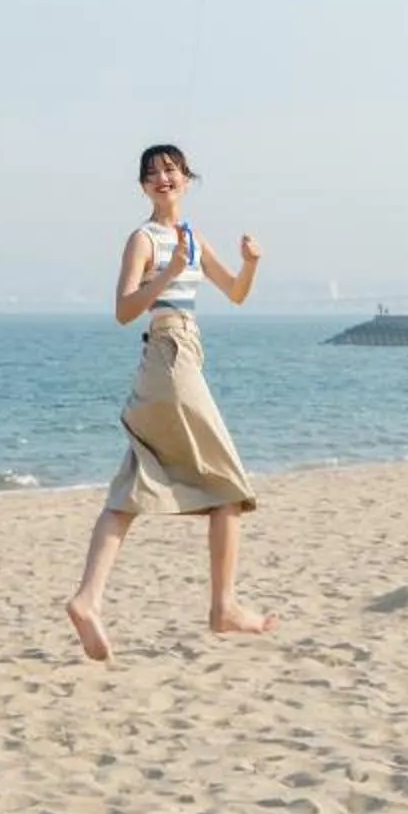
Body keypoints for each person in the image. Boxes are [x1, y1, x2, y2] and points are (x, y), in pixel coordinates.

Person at [64, 141, 273, 658]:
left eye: (172, 170)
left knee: (133, 487)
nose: (163, 177)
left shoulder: (193, 237)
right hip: (168, 352)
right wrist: (169, 269)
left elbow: (237, 293)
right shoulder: (144, 239)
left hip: (178, 358)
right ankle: (223, 607)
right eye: (153, 172)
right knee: (229, 487)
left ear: (187, 179)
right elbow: (123, 309)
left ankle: (88, 600)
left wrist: (250, 264)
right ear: (142, 186)